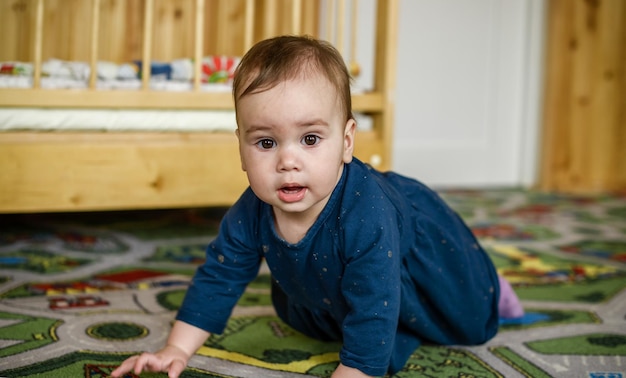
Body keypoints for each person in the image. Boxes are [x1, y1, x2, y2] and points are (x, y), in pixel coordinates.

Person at [111, 35, 522, 378]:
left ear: (346, 142)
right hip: (333, 286)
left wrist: (356, 370)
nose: (287, 161)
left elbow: (375, 298)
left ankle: (493, 289)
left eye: (310, 139)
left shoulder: (368, 212)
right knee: (312, 315)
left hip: (423, 264)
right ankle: (392, 332)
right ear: (241, 148)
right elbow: (219, 276)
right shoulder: (252, 209)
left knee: (465, 317)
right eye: (266, 143)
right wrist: (175, 349)